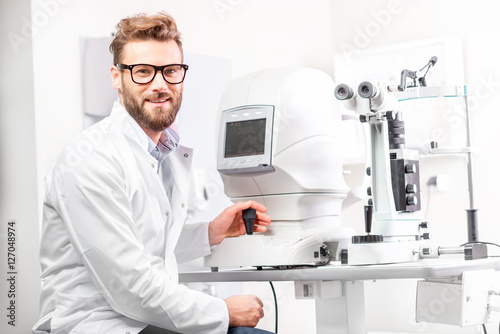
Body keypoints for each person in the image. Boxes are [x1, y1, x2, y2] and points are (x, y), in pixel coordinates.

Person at [32, 12, 274, 334]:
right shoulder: (91, 161)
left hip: (142, 321)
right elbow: (130, 286)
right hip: (99, 324)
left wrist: (211, 232)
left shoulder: (163, 153)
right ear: (117, 78)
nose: (160, 85)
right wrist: (222, 311)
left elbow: (146, 247)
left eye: (171, 71)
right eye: (143, 72)